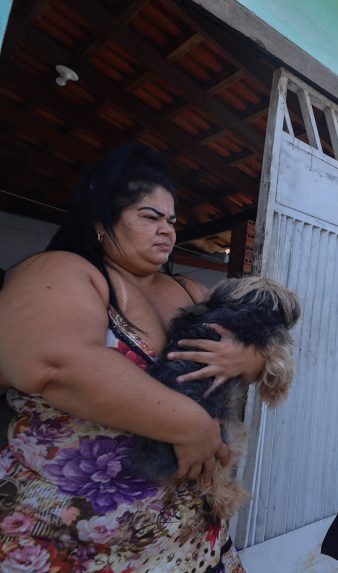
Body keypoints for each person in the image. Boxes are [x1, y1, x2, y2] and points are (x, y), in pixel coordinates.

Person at [0, 143, 264, 571]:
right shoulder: (61, 270)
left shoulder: (189, 291)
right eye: (150, 217)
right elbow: (54, 363)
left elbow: (259, 358)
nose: (168, 230)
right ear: (102, 221)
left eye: (172, 221)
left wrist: (244, 359)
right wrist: (190, 422)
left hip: (192, 539)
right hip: (73, 542)